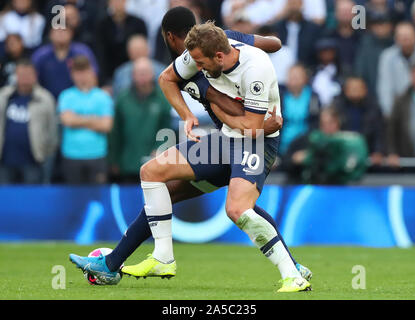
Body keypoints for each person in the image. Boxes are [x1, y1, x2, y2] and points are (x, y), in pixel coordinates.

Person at [69, 7, 311, 292]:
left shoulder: (255, 69)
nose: (194, 67)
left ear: (218, 57)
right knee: (154, 173)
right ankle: (156, 258)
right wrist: (187, 115)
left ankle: (292, 274)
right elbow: (166, 79)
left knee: (238, 208)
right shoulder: (209, 50)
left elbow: (254, 127)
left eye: (199, 63)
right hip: (225, 138)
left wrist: (215, 101)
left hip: (257, 141)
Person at [108, 57, 172, 183]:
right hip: (127, 164)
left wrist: (159, 149)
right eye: (139, 73)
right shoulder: (122, 99)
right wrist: (113, 160)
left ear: (152, 74)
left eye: (145, 73)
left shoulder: (162, 99)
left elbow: (167, 129)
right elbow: (115, 132)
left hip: (154, 163)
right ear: (132, 75)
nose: (142, 77)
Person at [58, 56, 113, 184]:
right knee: (73, 198)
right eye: (77, 72)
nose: (81, 76)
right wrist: (94, 119)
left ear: (91, 72)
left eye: (84, 71)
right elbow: (67, 121)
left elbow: (106, 125)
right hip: (71, 155)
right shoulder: (66, 96)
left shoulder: (103, 97)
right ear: (72, 74)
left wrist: (77, 119)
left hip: (97, 155)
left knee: (97, 199)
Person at [0, 59, 57, 184]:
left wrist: (46, 154)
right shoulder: (4, 95)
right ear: (16, 76)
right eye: (21, 75)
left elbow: (52, 130)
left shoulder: (45, 98)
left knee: (31, 199)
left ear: (35, 76)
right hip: (4, 161)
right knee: (5, 200)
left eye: (28, 74)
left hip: (33, 161)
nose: (25, 78)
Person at [283, 106, 368, 184]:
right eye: (323, 124)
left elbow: (353, 170)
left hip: (340, 188)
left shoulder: (350, 142)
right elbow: (287, 162)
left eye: (331, 122)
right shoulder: (308, 140)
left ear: (338, 122)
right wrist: (294, 160)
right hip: (313, 186)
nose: (327, 127)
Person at [332, 76, 386, 166]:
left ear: (365, 90)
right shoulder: (337, 107)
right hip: (342, 154)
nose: (354, 91)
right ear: (345, 90)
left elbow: (379, 132)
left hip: (368, 155)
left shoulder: (374, 108)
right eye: (352, 88)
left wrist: (378, 151)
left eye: (357, 88)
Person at [32, 27, 99, 99]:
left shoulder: (82, 52)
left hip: (76, 99)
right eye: (57, 31)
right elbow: (32, 77)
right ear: (50, 34)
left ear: (71, 33)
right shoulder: (41, 54)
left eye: (64, 31)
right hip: (46, 99)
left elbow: (92, 76)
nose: (60, 34)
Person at [95, 0, 148, 86]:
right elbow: (100, 54)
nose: (118, 3)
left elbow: (143, 48)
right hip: (110, 74)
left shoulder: (139, 23)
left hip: (135, 69)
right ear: (109, 3)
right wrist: (104, 82)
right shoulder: (102, 25)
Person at [377, 22, 415, 118]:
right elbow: (385, 86)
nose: (405, 39)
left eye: (408, 35)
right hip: (398, 110)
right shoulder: (387, 56)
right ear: (396, 39)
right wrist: (389, 113)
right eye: (401, 36)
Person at [279, 63, 321, 155]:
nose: (294, 80)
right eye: (291, 76)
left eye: (297, 77)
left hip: (305, 146)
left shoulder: (313, 97)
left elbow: (315, 122)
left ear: (305, 79)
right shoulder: (279, 96)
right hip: (282, 145)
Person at [387, 61, 415, 167]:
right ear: (411, 76)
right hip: (407, 160)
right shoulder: (401, 100)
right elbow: (392, 128)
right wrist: (392, 153)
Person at [354, 11, 394, 99]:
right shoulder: (365, 45)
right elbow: (360, 72)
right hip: (370, 96)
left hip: (395, 96)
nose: (380, 28)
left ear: (390, 26)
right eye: (376, 25)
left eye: (383, 24)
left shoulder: (396, 45)